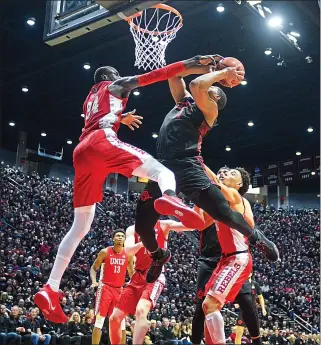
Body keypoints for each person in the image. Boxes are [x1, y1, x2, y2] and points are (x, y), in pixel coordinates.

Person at [34, 55, 217, 322]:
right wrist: (192, 63)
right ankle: (168, 198)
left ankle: (51, 287)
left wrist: (122, 116)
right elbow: (156, 75)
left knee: (81, 226)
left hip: (81, 151)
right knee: (161, 172)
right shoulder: (115, 86)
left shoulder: (90, 98)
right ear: (111, 76)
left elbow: (100, 115)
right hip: (100, 143)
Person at [134, 61, 279, 284]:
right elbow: (175, 75)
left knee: (222, 211)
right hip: (162, 167)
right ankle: (159, 255)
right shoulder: (185, 101)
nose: (207, 87)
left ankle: (257, 238)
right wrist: (204, 64)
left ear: (215, 99)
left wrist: (220, 73)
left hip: (188, 165)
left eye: (211, 89)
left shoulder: (209, 110)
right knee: (142, 226)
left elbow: (195, 84)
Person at [191, 167, 264, 345]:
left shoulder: (235, 196)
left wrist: (198, 163)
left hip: (236, 259)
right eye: (224, 172)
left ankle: (256, 340)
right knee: (205, 306)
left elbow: (214, 183)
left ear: (239, 184)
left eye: (231, 174)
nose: (225, 174)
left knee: (240, 302)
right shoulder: (220, 203)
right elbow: (200, 223)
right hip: (220, 259)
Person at [109, 219, 193, 345]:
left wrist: (197, 204)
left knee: (141, 310)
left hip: (154, 275)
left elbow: (191, 225)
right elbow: (128, 251)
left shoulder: (163, 225)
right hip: (137, 276)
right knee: (114, 318)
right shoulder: (133, 229)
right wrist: (144, 243)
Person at [90, 230, 133, 345]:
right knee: (99, 320)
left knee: (121, 322)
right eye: (117, 236)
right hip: (105, 288)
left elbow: (132, 275)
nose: (120, 237)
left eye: (122, 236)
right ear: (113, 239)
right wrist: (94, 282)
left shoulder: (128, 255)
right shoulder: (105, 252)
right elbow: (94, 268)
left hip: (119, 290)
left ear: (124, 240)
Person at [234, 274, 267, 345]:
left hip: (253, 311)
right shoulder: (240, 283)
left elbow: (260, 297)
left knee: (256, 335)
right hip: (243, 310)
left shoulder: (255, 284)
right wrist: (235, 303)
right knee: (239, 333)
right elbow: (234, 294)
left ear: (251, 274)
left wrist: (263, 308)